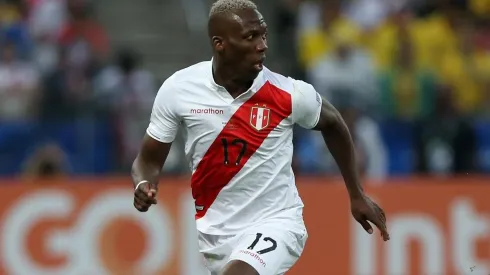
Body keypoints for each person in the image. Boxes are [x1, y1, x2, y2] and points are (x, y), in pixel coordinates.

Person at [131, 1, 390, 275]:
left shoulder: (288, 93)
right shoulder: (179, 90)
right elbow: (148, 159)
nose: (262, 45)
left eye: (263, 35)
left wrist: (356, 194)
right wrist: (144, 182)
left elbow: (334, 123)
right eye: (250, 37)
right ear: (220, 44)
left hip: (277, 223)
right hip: (217, 237)